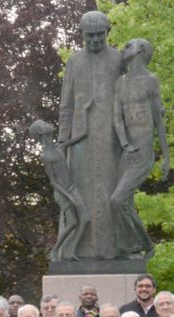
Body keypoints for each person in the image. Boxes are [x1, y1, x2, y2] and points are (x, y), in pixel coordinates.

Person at [57, 10, 123, 260]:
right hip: (79, 139)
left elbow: (128, 98)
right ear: (82, 34)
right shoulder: (74, 62)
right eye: (89, 35)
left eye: (99, 35)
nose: (94, 40)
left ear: (107, 32)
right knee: (79, 194)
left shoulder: (119, 60)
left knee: (112, 193)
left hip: (111, 137)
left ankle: (114, 250)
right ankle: (75, 252)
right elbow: (66, 104)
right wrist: (62, 141)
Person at [109, 37, 165, 256]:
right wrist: (124, 143)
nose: (123, 49)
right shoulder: (121, 82)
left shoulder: (151, 81)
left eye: (128, 46)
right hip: (128, 150)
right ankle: (143, 246)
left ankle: (135, 246)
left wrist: (166, 157)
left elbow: (159, 120)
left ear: (140, 49)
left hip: (143, 149)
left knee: (116, 200)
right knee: (122, 203)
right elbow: (117, 118)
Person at [31, 119, 90, 262]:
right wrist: (68, 196)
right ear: (41, 132)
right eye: (44, 124)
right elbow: (53, 182)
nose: (48, 124)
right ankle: (55, 250)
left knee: (86, 220)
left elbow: (82, 134)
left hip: (72, 189)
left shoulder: (59, 147)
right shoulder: (46, 156)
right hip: (62, 193)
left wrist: (86, 114)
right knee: (72, 223)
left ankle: (73, 251)